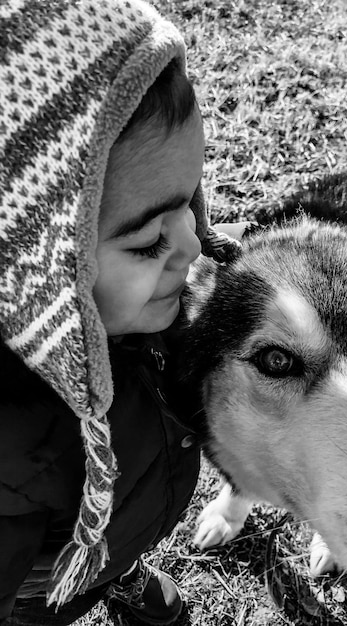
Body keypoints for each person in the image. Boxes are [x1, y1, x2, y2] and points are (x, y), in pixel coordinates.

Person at [0, 1, 241, 624]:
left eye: (190, 201)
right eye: (148, 241)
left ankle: (121, 571)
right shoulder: (14, 447)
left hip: (127, 517)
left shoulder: (140, 310)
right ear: (33, 270)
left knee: (116, 545)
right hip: (42, 582)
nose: (192, 246)